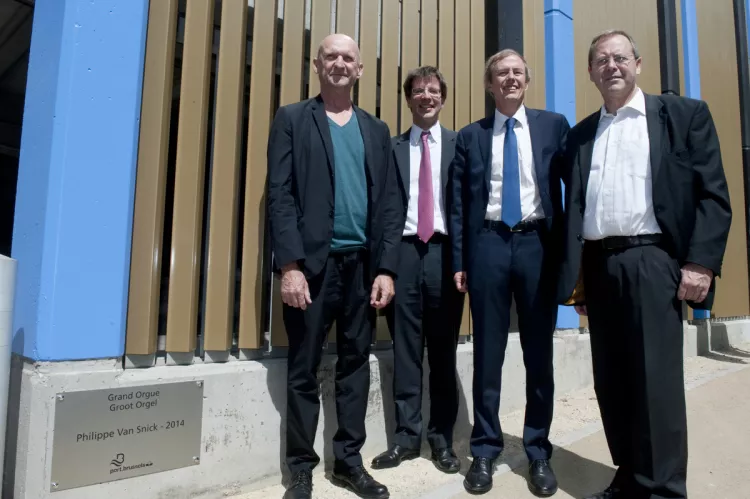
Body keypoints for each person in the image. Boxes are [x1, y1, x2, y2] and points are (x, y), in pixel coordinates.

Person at [558, 30, 731, 499]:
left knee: (655, 382)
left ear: (638, 63)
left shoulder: (682, 116)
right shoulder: (580, 136)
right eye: (600, 60)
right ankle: (631, 475)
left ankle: (664, 489)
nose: (611, 66)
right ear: (591, 72)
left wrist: (701, 264)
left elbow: (712, 196)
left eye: (619, 57)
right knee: (613, 382)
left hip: (653, 261)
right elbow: (576, 210)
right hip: (599, 267)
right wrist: (577, 282)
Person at [267, 33, 403, 499]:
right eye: (331, 57)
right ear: (317, 65)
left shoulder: (376, 129)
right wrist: (289, 265)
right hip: (311, 270)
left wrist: (386, 268)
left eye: (348, 57)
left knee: (354, 367)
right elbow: (280, 196)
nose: (340, 63)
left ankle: (349, 463)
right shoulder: (292, 119)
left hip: (362, 270)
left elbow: (388, 204)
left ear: (359, 69)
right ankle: (301, 470)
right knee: (303, 369)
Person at [450, 49, 569, 496]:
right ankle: (484, 447)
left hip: (537, 244)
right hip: (488, 245)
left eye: (517, 72)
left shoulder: (553, 126)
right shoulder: (470, 136)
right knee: (488, 351)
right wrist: (461, 261)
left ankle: (538, 450)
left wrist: (569, 258)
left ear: (527, 80)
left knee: (540, 353)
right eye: (501, 73)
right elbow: (459, 205)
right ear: (489, 84)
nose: (510, 78)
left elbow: (571, 188)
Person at [370, 66, 464, 474]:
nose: (426, 96)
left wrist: (465, 262)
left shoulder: (462, 145)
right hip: (405, 255)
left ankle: (442, 440)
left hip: (446, 255)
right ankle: (407, 439)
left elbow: (467, 208)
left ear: (443, 98)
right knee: (405, 351)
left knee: (443, 352)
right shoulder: (392, 148)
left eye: (433, 90)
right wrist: (386, 268)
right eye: (418, 91)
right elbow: (387, 212)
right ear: (408, 99)